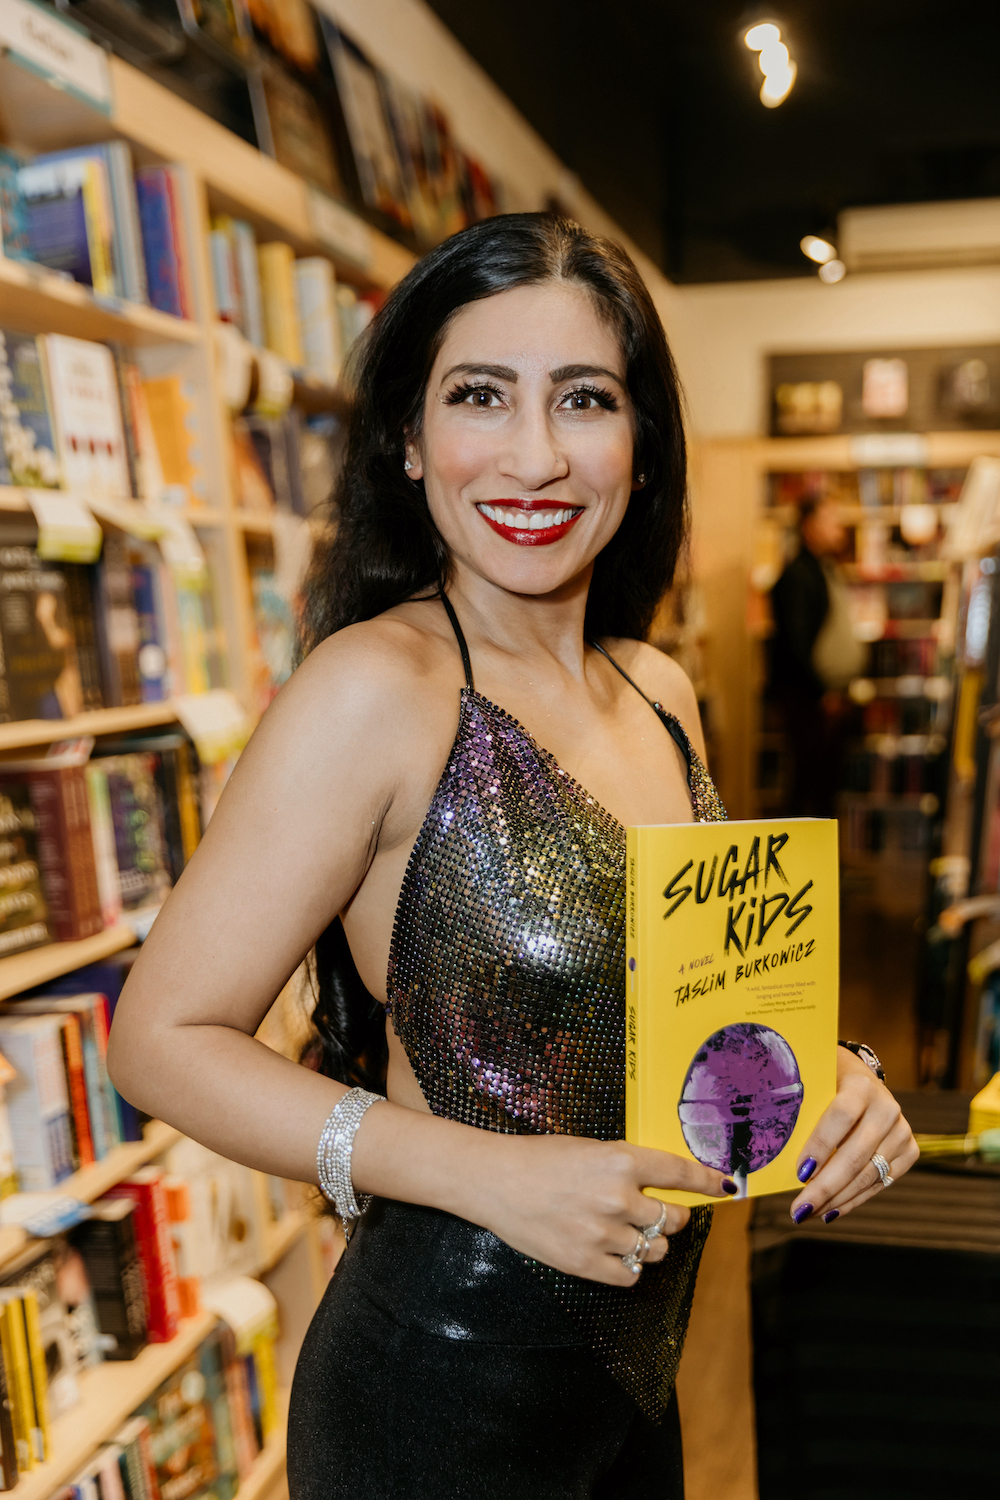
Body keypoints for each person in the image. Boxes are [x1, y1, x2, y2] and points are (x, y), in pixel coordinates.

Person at [107, 215, 917, 1498]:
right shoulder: (376, 689)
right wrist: (497, 1175)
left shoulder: (658, 690)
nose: (535, 457)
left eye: (583, 400)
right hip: (437, 1396)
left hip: (630, 1384)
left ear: (640, 447)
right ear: (412, 443)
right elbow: (158, 1038)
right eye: (481, 396)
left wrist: (829, 1076)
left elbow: (680, 1011)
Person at [769, 496, 865, 816]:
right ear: (809, 526)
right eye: (831, 520)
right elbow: (797, 645)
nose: (839, 528)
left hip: (824, 698)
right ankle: (803, 862)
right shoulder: (798, 574)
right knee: (809, 786)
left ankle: (819, 861)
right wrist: (823, 692)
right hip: (809, 699)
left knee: (824, 785)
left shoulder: (823, 568)